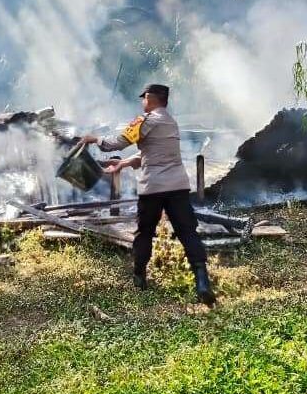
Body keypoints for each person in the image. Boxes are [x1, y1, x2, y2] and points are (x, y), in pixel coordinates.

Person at [80, 84, 215, 306]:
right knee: (187, 231)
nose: (142, 102)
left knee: (144, 232)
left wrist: (94, 140)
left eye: (144, 98)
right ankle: (202, 281)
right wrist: (123, 164)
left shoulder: (145, 121)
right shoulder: (171, 122)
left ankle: (139, 277)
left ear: (150, 98)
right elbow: (149, 153)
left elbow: (117, 143)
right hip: (178, 186)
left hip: (153, 187)